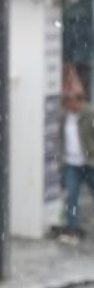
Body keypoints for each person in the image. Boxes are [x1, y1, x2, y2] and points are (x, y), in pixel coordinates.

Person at [59, 90, 94, 243]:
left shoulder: (90, 114)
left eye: (70, 101)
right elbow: (61, 138)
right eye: (66, 101)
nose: (67, 104)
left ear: (78, 101)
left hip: (89, 163)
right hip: (72, 164)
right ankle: (72, 227)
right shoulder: (64, 117)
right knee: (72, 198)